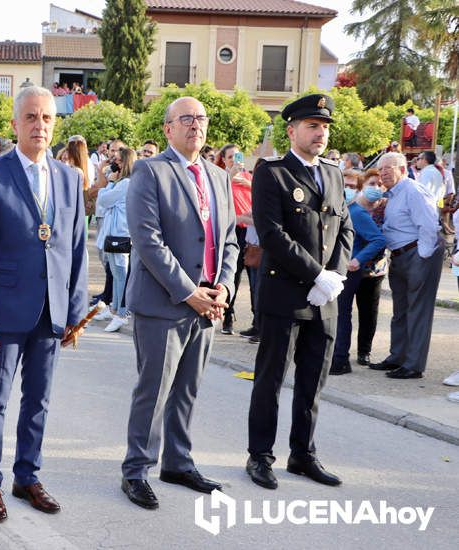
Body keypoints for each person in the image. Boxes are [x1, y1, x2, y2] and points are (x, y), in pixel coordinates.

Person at [0, 85, 87, 523]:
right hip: (4, 312)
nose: (40, 125)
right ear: (16, 124)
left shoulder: (70, 178)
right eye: (31, 117)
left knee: (39, 399)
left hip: (52, 311)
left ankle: (27, 476)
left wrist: (75, 312)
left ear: (55, 125)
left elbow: (75, 249)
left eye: (47, 118)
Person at [120, 97, 239, 510]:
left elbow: (228, 241)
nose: (196, 125)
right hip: (166, 302)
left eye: (202, 118)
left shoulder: (218, 177)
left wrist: (224, 287)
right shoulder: (151, 171)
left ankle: (178, 461)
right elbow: (148, 241)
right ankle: (136, 469)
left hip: (209, 302)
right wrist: (189, 292)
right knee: (153, 390)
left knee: (187, 389)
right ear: (168, 129)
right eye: (186, 118)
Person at [246, 94, 353, 491]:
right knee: (271, 379)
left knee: (313, 380)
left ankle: (302, 454)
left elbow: (345, 228)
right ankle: (260, 455)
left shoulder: (334, 173)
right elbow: (272, 234)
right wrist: (315, 276)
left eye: (324, 127)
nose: (320, 133)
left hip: (324, 298)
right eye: (312, 126)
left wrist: (336, 277)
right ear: (291, 131)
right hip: (285, 295)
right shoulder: (272, 173)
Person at [368, 152, 443, 379]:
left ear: (402, 168)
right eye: (381, 170)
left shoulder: (412, 190)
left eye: (388, 168)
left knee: (418, 311)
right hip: (400, 256)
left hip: (417, 254)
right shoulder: (393, 193)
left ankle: (413, 364)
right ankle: (397, 356)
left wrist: (422, 256)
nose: (383, 173)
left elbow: (429, 224)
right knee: (400, 311)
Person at [330, 169, 387, 375]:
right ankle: (337, 358)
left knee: (343, 314)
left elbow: (379, 240)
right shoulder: (347, 208)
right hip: (342, 267)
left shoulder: (357, 213)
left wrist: (358, 259)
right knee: (339, 313)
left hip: (352, 269)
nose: (347, 189)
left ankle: (340, 360)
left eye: (353, 186)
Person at [215, 144, 253, 335]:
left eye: (237, 156)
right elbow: (219, 201)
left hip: (252, 233)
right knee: (233, 274)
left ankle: (257, 323)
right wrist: (230, 176)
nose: (234, 160)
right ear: (224, 159)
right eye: (230, 157)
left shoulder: (249, 178)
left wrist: (250, 184)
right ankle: (228, 315)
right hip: (233, 232)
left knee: (255, 279)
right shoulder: (221, 177)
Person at [96, 147, 135, 332]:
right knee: (115, 273)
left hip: (121, 234)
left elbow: (103, 201)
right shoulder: (120, 182)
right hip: (113, 234)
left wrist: (109, 183)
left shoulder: (125, 183)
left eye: (118, 160)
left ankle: (122, 313)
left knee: (121, 275)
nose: (114, 163)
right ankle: (114, 308)